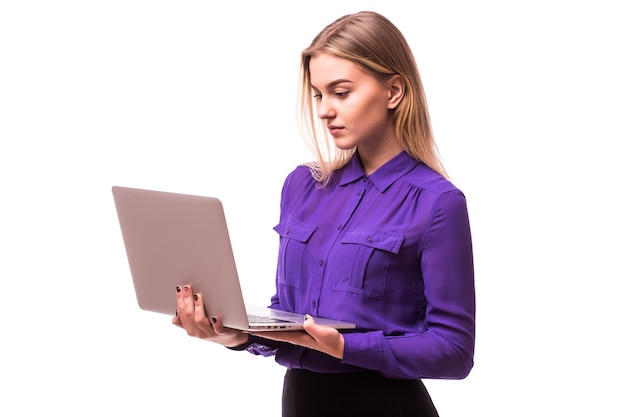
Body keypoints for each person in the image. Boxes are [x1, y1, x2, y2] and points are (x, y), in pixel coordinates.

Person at [173, 10, 475, 417]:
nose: (324, 110)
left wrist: (347, 347)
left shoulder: (437, 201)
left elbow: (454, 352)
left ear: (394, 92)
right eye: (318, 94)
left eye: (341, 92)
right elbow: (290, 317)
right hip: (301, 402)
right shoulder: (302, 185)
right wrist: (234, 334)